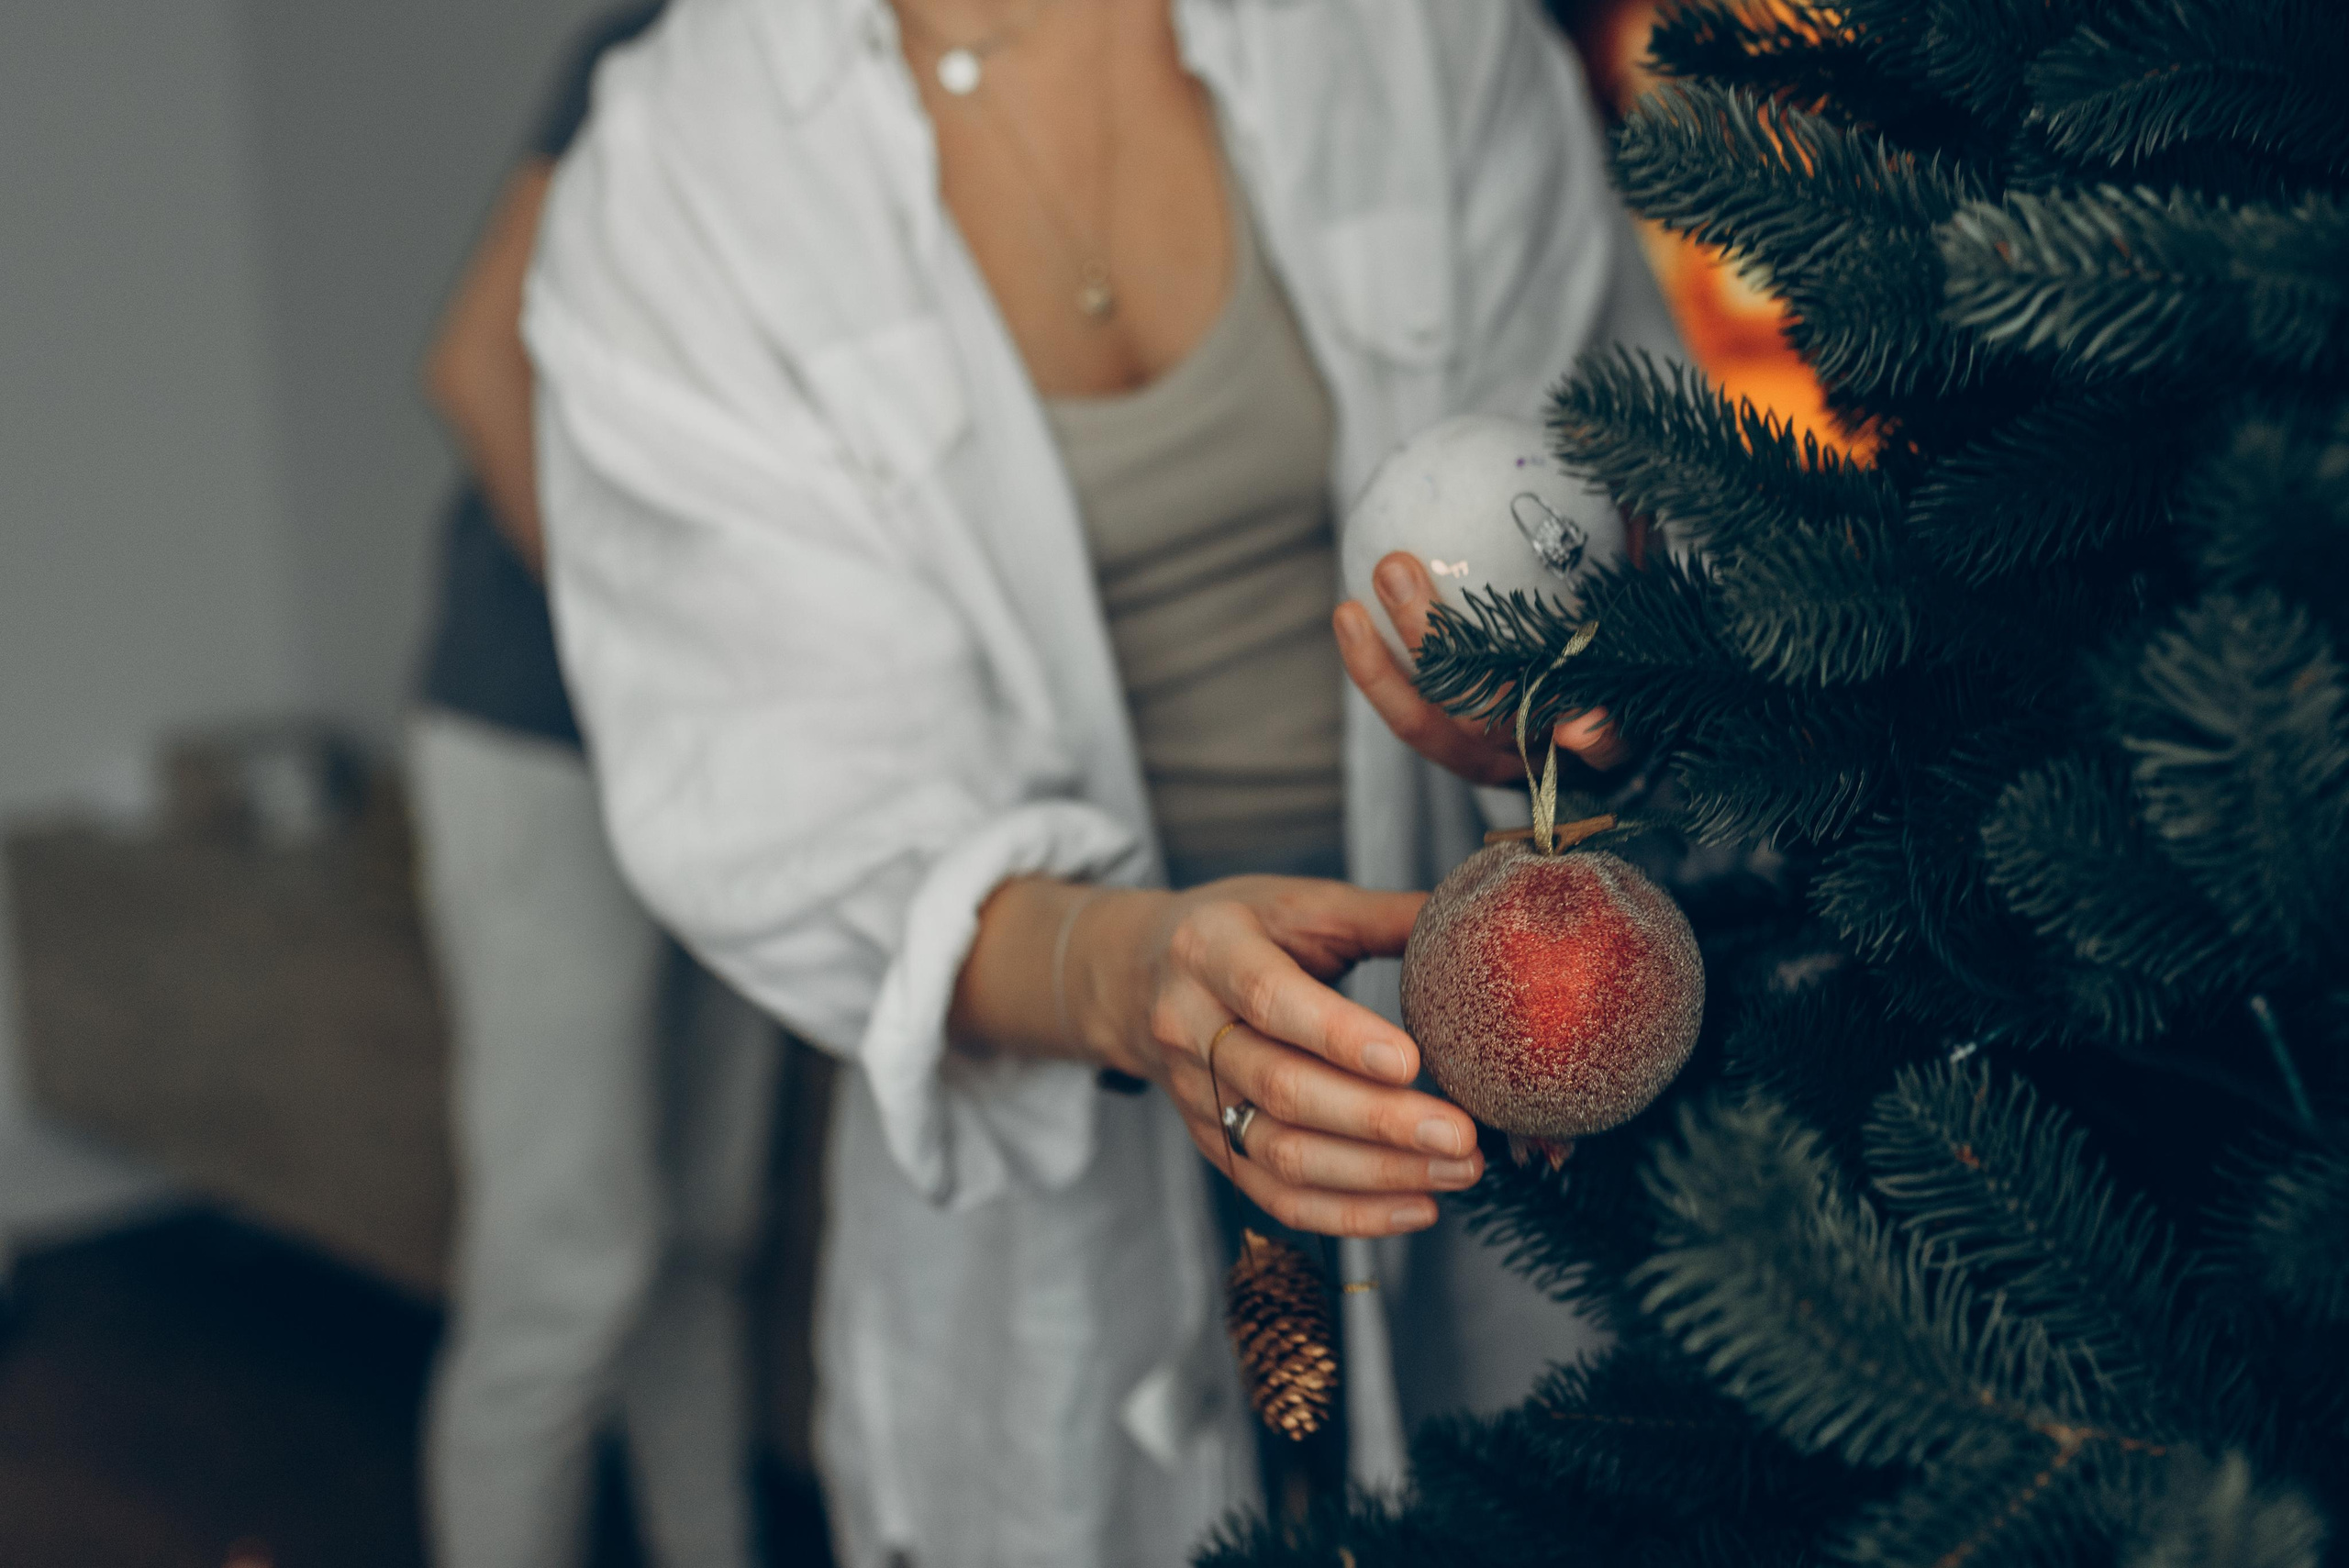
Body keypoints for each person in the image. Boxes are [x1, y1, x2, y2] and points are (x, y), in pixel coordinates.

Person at [524, 0, 1682, 1562]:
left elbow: (1631, 457)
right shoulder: (683, 167)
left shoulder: (1418, 31)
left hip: (1508, 1039)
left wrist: (1554, 713)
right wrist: (1119, 966)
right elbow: (784, 790)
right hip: (1058, 1092)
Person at [406, 6, 783, 1566]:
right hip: (541, 726)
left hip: (759, 742)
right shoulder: (668, 37)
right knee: (569, 1272)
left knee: (703, 1239)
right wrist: (657, 665)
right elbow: (474, 366)